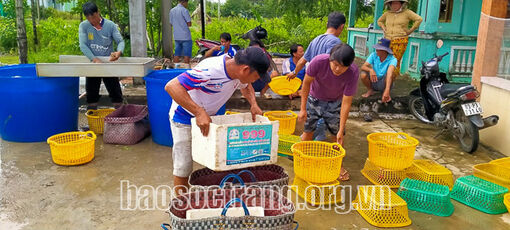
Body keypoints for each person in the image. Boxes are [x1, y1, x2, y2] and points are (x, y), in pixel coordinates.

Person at [165, 47, 271, 194]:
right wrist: (198, 112)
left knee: (214, 159)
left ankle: (210, 196)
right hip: (183, 117)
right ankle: (181, 203)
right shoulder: (210, 71)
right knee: (183, 165)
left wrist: (253, 104)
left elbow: (247, 87)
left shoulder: (238, 72)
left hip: (208, 118)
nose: (257, 80)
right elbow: (172, 86)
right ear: (246, 70)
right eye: (257, 76)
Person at [298, 44, 358, 181]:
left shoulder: (353, 72)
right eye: (335, 64)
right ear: (330, 59)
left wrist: (341, 129)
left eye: (342, 66)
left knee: (336, 136)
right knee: (308, 131)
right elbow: (306, 83)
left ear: (349, 65)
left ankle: (338, 166)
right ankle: (303, 162)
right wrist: (302, 109)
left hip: (335, 102)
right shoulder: (318, 61)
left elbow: (346, 102)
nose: (337, 69)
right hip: (314, 98)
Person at [287, 12, 346, 141]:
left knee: (312, 127)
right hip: (327, 93)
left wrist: (294, 72)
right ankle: (321, 154)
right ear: (341, 27)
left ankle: (299, 151)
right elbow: (332, 68)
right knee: (329, 130)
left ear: (327, 24)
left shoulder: (316, 40)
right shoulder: (335, 43)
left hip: (313, 92)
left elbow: (303, 60)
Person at [79, 2, 125, 110]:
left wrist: (118, 52)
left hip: (108, 63)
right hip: (93, 64)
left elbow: (120, 41)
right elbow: (83, 45)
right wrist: (94, 59)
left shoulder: (110, 25)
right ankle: (92, 119)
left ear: (98, 12)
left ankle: (120, 118)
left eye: (93, 17)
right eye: (88, 18)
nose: (92, 21)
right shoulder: (84, 26)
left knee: (116, 93)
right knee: (91, 94)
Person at [377, 0, 422, 74]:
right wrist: (383, 27)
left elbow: (419, 19)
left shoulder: (407, 12)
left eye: (397, 3)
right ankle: (384, 78)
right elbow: (379, 21)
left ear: (401, 4)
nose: (394, 5)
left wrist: (410, 30)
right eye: (393, 3)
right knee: (383, 59)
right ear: (390, 4)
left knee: (394, 61)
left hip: (400, 40)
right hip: (386, 40)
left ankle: (391, 79)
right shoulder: (387, 13)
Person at [360, 38, 397, 103]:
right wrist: (371, 70)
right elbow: (363, 66)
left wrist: (387, 91)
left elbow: (390, 73)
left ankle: (385, 91)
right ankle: (370, 90)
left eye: (378, 49)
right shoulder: (373, 55)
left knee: (392, 75)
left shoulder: (393, 59)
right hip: (374, 80)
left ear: (384, 50)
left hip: (384, 82)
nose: (376, 50)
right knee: (363, 74)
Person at [170, 0, 192, 64]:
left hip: (176, 36)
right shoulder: (184, 10)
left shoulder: (172, 11)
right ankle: (186, 69)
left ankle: (176, 69)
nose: (187, 5)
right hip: (185, 36)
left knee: (177, 53)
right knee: (187, 54)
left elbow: (171, 23)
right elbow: (189, 24)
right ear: (184, 2)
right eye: (186, 3)